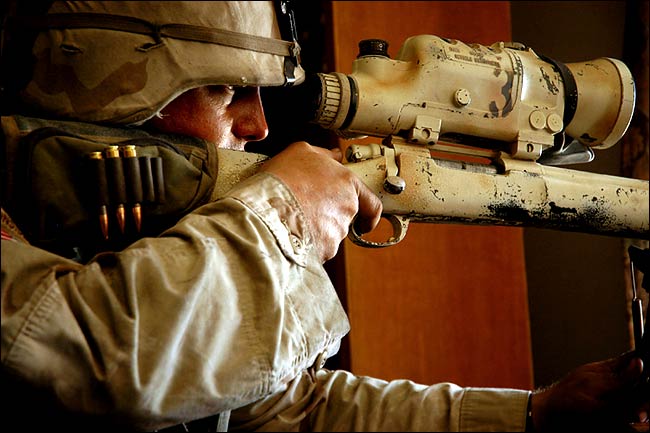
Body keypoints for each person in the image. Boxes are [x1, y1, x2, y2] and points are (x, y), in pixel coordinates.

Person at [1, 1, 647, 432]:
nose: (256, 126)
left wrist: (533, 414)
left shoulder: (122, 233)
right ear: (121, 83)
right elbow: (104, 356)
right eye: (227, 91)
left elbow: (299, 411)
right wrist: (286, 214)